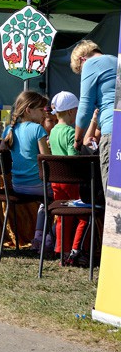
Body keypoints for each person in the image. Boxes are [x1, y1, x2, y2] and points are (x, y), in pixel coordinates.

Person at [1, 90, 52, 251]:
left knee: (46, 198)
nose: (44, 114)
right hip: (37, 185)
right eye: (41, 110)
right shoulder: (37, 130)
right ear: (29, 110)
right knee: (57, 195)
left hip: (17, 185)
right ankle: (47, 237)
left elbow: (1, 156)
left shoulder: (8, 130)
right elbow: (47, 160)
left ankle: (40, 237)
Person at [47, 91, 91, 266]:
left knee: (63, 216)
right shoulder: (70, 133)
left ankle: (61, 250)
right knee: (83, 216)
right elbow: (74, 158)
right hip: (71, 182)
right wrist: (79, 146)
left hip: (56, 182)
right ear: (72, 112)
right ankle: (76, 251)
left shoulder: (53, 131)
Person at [70, 40, 116, 188]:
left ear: (82, 59)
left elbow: (85, 108)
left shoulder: (90, 64)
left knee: (113, 193)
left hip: (113, 132)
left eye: (80, 70)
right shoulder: (116, 61)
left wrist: (77, 140)